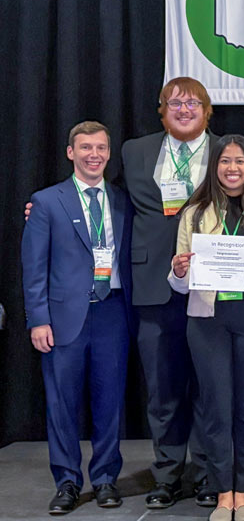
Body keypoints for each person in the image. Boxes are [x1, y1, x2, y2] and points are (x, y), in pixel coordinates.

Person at [168, 134, 244, 521]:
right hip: (207, 320)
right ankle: (223, 494)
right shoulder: (194, 213)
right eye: (225, 161)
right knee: (217, 408)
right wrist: (179, 271)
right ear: (214, 166)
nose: (232, 168)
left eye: (240, 162)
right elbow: (179, 280)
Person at [22, 121, 133, 514]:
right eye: (85, 147)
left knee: (109, 404)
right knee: (62, 405)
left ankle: (105, 479)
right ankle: (67, 482)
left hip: (113, 314)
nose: (94, 155)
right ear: (71, 152)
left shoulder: (123, 200)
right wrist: (38, 319)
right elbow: (33, 267)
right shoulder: (47, 201)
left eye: (101, 148)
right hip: (63, 317)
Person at [121, 77, 218, 507]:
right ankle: (166, 475)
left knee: (208, 387)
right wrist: (44, 207)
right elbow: (105, 196)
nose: (183, 109)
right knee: (163, 390)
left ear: (207, 110)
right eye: (174, 102)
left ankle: (207, 475)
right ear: (161, 111)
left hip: (211, 285)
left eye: (192, 102)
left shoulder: (227, 152)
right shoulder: (133, 151)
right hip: (154, 285)